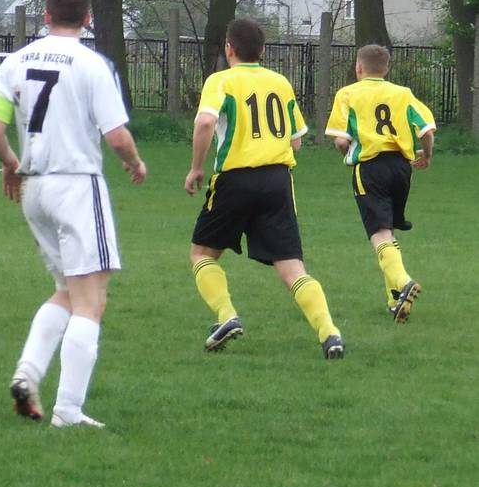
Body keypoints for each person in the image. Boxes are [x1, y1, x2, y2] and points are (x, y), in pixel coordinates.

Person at [0, 0, 147, 429]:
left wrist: (12, 164)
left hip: (34, 188)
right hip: (75, 185)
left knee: (67, 291)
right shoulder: (94, 65)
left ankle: (27, 374)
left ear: (46, 15)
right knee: (91, 301)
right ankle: (68, 410)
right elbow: (116, 135)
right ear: (88, 18)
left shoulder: (15, 61)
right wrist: (135, 162)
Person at [185, 18, 344, 359]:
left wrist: (197, 167)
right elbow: (296, 141)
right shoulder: (280, 83)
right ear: (262, 50)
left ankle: (226, 315)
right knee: (292, 268)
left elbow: (206, 121)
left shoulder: (221, 81)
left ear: (229, 48)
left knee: (202, 254)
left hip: (235, 179)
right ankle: (330, 333)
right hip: (277, 180)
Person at [324, 44, 436, 322]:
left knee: (379, 233)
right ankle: (395, 300)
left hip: (370, 167)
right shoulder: (403, 94)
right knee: (389, 231)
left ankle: (404, 281)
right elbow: (426, 130)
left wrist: (347, 153)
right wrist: (427, 155)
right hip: (401, 168)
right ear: (386, 69)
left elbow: (340, 140)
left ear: (358, 67)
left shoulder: (348, 93)